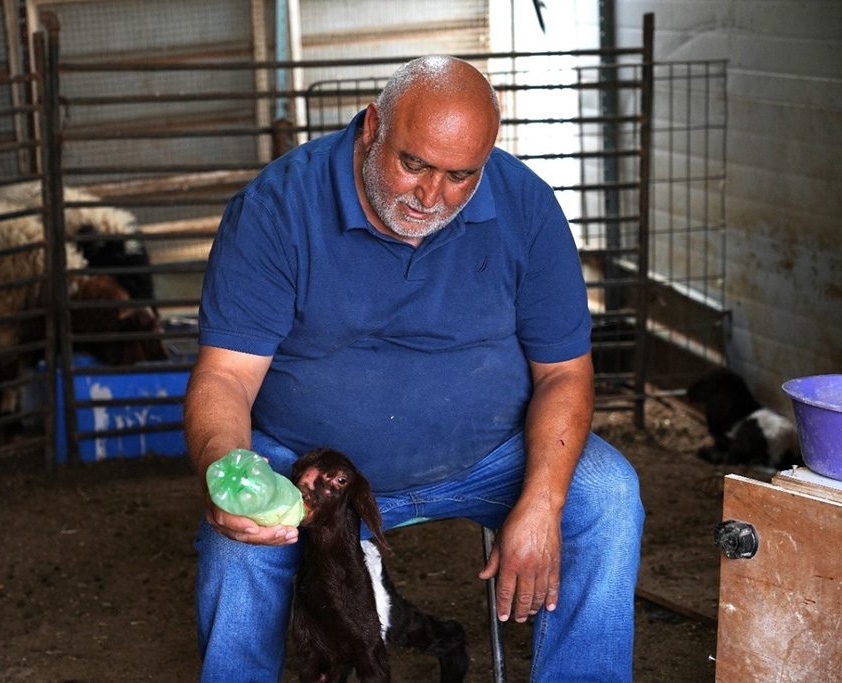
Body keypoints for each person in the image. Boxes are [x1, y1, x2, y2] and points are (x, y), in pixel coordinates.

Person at [185, 55, 644, 682]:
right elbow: (226, 377)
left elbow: (564, 372)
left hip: (492, 456)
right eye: (414, 164)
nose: (431, 197)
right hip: (314, 468)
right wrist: (224, 471)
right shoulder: (277, 209)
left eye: (461, 175)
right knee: (237, 544)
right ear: (373, 126)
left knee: (607, 496)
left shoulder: (526, 207)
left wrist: (542, 501)